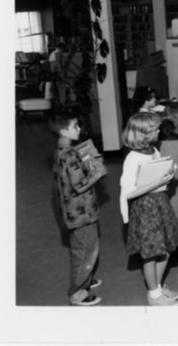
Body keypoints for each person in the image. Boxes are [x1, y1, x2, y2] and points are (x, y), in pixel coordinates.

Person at [119, 112, 178, 306]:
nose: (159, 131)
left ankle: (157, 285)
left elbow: (156, 174)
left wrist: (167, 174)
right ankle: (153, 294)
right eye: (155, 129)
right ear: (143, 134)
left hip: (160, 203)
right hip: (145, 208)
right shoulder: (132, 158)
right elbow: (128, 192)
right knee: (150, 253)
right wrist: (157, 181)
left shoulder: (153, 151)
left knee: (165, 249)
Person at [52, 114, 105, 306]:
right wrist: (98, 172)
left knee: (81, 248)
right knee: (85, 251)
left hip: (72, 211)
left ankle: (85, 279)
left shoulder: (62, 151)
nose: (79, 129)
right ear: (63, 131)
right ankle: (77, 292)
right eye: (75, 126)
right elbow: (80, 185)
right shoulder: (70, 155)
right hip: (82, 213)